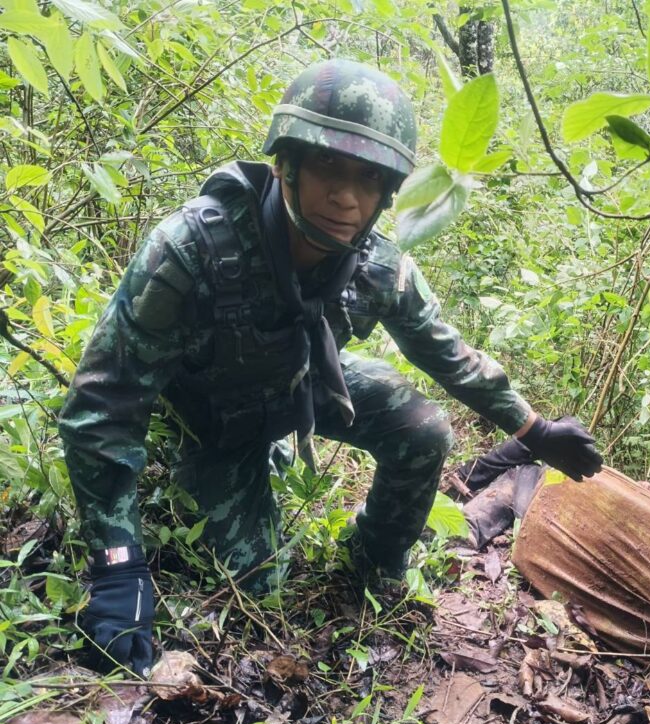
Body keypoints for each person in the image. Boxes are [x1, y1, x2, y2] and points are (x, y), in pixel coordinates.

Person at [58, 59, 603, 676]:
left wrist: (534, 430)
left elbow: (446, 352)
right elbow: (104, 405)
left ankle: (376, 559)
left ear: (387, 192)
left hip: (305, 384)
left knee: (423, 429)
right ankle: (244, 473)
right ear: (284, 163)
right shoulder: (191, 249)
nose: (345, 196)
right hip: (216, 420)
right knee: (258, 589)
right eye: (327, 166)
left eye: (368, 178)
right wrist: (118, 566)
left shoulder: (376, 265)